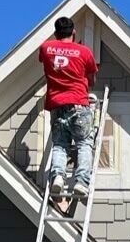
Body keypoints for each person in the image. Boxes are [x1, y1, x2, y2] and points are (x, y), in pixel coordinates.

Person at [38, 15, 100, 217]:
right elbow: (92, 77)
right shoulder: (84, 52)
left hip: (57, 105)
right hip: (78, 104)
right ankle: (81, 182)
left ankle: (57, 177)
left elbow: (46, 62)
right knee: (83, 143)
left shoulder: (46, 48)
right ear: (74, 32)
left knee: (60, 145)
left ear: (56, 34)